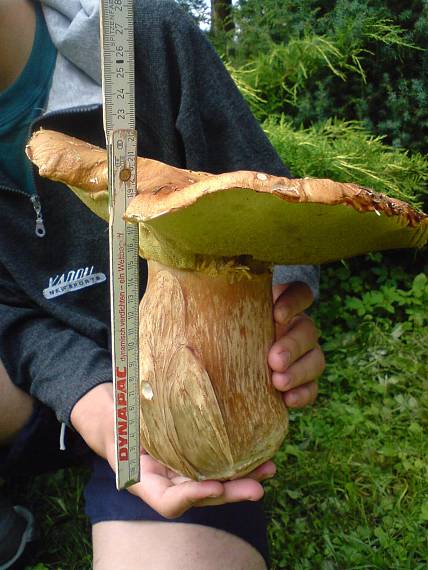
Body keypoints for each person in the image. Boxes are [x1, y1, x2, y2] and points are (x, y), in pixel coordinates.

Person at [0, 0, 325, 568]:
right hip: (31, 388)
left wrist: (275, 307)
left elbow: (268, 195)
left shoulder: (136, 34)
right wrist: (92, 403)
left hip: (185, 394)